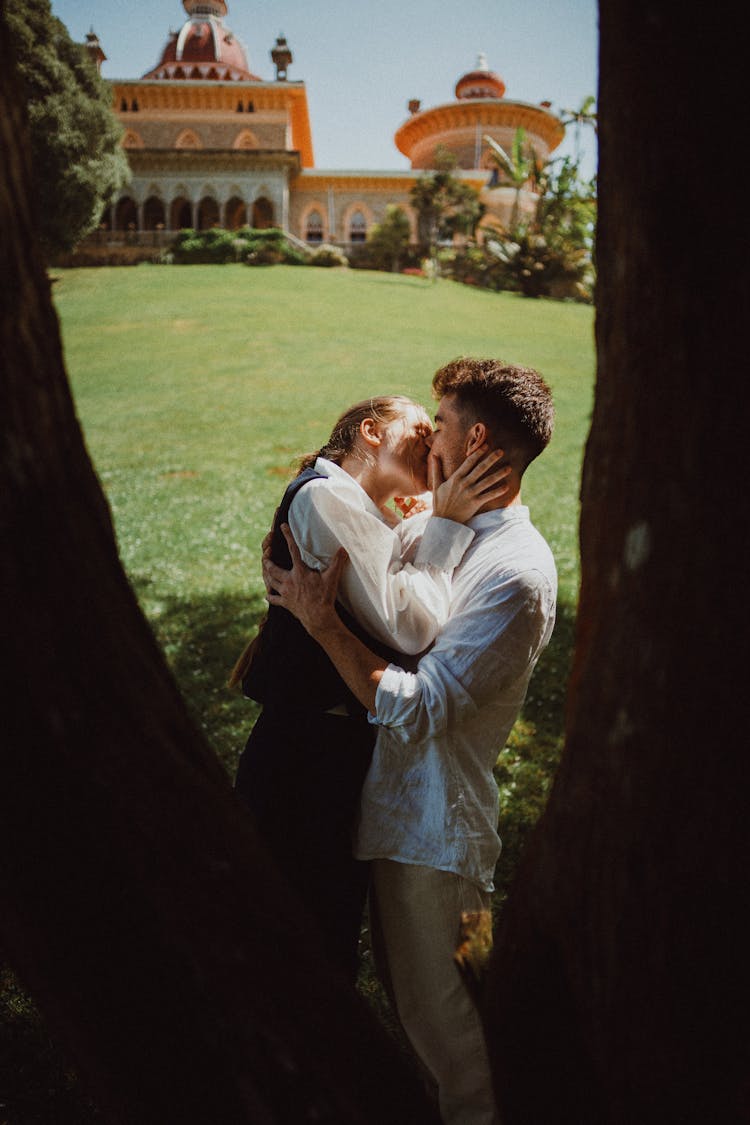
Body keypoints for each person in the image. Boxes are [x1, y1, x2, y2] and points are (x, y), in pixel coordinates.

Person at [263, 358, 557, 1125]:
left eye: (441, 422)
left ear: (475, 435)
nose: (430, 435)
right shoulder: (442, 522)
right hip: (394, 825)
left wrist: (323, 627)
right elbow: (392, 569)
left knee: (467, 1039)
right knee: (428, 1031)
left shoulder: (518, 572)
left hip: (444, 843)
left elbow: (421, 706)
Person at [232, 394, 509, 982]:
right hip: (306, 755)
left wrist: (428, 519)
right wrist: (447, 524)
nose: (431, 442)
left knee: (333, 928)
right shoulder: (326, 497)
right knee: (303, 929)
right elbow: (411, 627)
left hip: (367, 766)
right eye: (417, 427)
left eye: (439, 432)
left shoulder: (364, 509)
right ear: (370, 432)